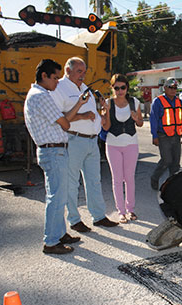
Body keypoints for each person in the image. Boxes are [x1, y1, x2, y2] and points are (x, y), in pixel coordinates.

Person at [24, 59, 87, 254]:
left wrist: (77, 106)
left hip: (52, 150)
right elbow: (65, 124)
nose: (57, 82)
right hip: (53, 151)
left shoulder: (37, 95)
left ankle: (59, 234)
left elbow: (63, 120)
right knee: (57, 198)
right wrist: (78, 105)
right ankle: (51, 241)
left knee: (57, 195)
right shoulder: (41, 96)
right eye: (55, 77)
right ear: (44, 76)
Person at [50, 57, 118, 233]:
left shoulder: (85, 88)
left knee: (94, 181)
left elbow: (94, 115)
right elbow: (57, 115)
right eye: (79, 71)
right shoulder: (59, 88)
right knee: (72, 182)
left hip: (91, 141)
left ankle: (99, 216)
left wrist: (103, 113)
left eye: (84, 71)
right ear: (68, 71)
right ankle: (74, 219)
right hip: (73, 140)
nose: (83, 75)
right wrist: (82, 116)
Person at [101, 74, 144, 224]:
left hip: (131, 143)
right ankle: (121, 211)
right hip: (113, 144)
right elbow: (106, 127)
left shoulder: (134, 102)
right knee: (117, 179)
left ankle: (130, 209)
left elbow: (140, 124)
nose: (120, 91)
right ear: (112, 88)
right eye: (116, 88)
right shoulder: (108, 103)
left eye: (123, 87)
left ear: (127, 88)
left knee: (129, 178)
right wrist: (104, 115)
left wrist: (136, 118)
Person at [149, 77, 182, 190]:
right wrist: (154, 136)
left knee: (175, 163)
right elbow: (153, 119)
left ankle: (172, 185)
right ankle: (155, 177)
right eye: (170, 87)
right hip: (163, 135)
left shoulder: (179, 102)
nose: (173, 90)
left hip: (176, 135)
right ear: (165, 88)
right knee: (167, 160)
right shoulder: (158, 101)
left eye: (175, 88)